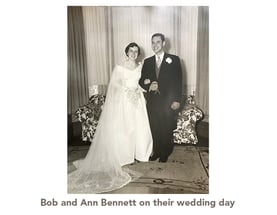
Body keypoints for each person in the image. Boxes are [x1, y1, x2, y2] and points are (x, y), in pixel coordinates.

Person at [68, 42, 153, 193]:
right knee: (126, 129)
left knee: (140, 127)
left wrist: (142, 86)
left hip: (138, 100)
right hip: (125, 101)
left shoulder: (141, 66)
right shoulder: (120, 68)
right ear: (126, 52)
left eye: (136, 51)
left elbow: (141, 83)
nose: (133, 53)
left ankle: (141, 153)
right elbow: (114, 85)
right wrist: (127, 89)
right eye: (131, 51)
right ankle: (125, 156)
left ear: (138, 53)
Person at [139, 33, 182, 163]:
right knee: (154, 127)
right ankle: (156, 151)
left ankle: (165, 153)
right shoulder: (147, 62)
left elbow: (178, 81)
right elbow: (141, 81)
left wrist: (177, 100)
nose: (155, 45)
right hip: (152, 102)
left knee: (166, 127)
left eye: (158, 42)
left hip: (168, 101)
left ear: (163, 43)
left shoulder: (174, 59)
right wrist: (148, 87)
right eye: (153, 42)